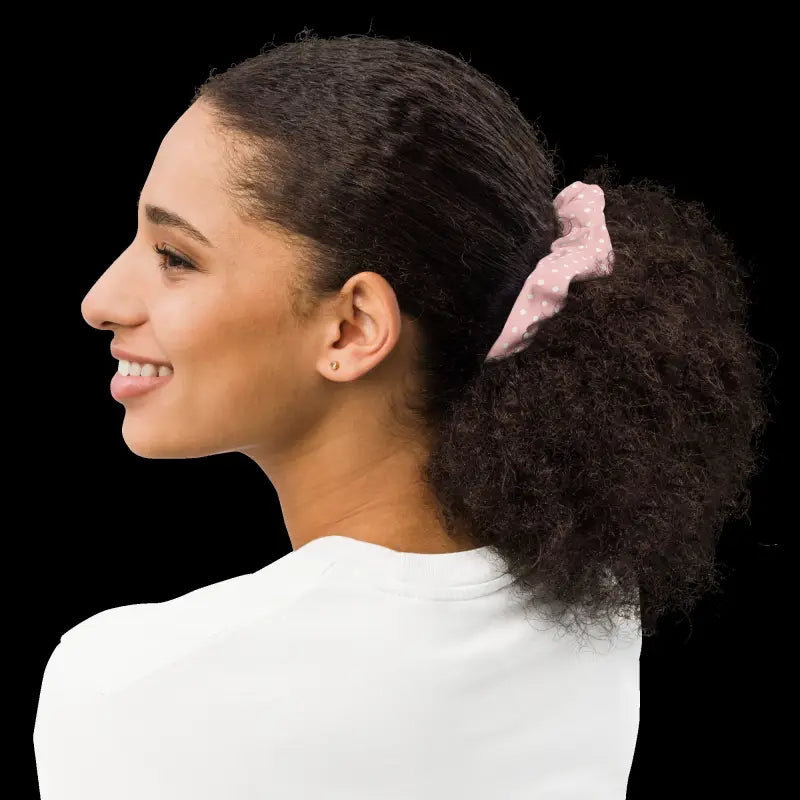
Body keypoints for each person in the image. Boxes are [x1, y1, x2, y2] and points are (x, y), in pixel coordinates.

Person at [34, 32, 772, 799]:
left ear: (353, 329)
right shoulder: (598, 602)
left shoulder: (126, 686)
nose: (100, 301)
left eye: (175, 257)